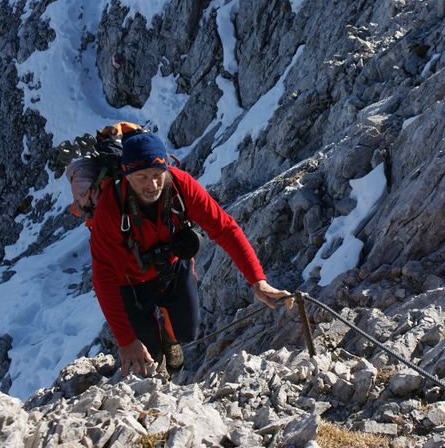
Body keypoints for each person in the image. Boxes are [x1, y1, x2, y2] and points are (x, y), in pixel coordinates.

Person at [89, 131, 293, 376]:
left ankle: (170, 339)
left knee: (187, 332)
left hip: (173, 267)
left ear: (166, 169)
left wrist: (258, 281)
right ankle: (158, 364)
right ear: (126, 174)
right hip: (131, 282)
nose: (152, 185)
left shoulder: (180, 186)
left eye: (157, 175)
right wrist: (125, 341)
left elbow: (224, 228)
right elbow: (103, 276)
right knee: (148, 352)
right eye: (142, 177)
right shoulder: (110, 208)